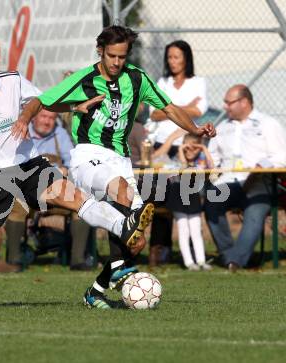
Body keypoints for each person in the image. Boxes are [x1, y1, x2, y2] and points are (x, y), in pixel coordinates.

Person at [0, 40, 147, 308]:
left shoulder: (11, 80)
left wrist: (71, 107)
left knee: (74, 198)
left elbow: (42, 101)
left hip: (28, 165)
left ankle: (123, 225)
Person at [14, 26, 216, 308]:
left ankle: (95, 291)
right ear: (101, 51)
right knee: (121, 193)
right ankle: (120, 268)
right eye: (112, 56)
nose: (117, 62)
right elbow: (42, 100)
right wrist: (25, 119)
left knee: (135, 240)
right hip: (88, 155)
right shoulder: (86, 78)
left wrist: (195, 128)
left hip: (120, 160)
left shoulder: (137, 79)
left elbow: (169, 108)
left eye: (122, 56)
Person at [205, 84, 286, 271]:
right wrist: (207, 167)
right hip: (226, 183)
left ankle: (235, 261)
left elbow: (282, 155)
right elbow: (213, 158)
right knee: (210, 201)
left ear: (244, 102)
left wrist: (261, 165)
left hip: (260, 183)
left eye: (229, 102)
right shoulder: (222, 127)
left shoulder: (268, 124)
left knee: (255, 212)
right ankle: (229, 256)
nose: (225, 107)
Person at [5, 109, 93, 270]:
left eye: (51, 118)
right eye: (44, 117)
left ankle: (78, 259)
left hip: (56, 189)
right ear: (33, 119)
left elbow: (72, 162)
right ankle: (13, 260)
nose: (47, 122)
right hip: (27, 189)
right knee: (17, 207)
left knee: (81, 204)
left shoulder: (60, 134)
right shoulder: (22, 132)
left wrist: (66, 169)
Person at [148, 40, 208, 267]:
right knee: (162, 195)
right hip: (162, 145)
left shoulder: (198, 82)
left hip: (187, 148)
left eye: (177, 57)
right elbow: (154, 114)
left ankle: (194, 256)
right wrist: (184, 107)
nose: (172, 61)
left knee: (187, 199)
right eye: (169, 57)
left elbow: (199, 110)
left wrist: (169, 107)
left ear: (186, 58)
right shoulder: (161, 82)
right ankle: (159, 249)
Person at [159, 131, 214, 270]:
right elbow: (184, 168)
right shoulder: (174, 160)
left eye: (195, 148)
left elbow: (211, 168)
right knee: (184, 231)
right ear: (182, 146)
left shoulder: (199, 162)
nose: (191, 151)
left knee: (196, 231)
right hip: (177, 200)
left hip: (193, 199)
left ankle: (201, 261)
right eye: (188, 147)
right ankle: (189, 262)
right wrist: (181, 151)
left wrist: (204, 149)